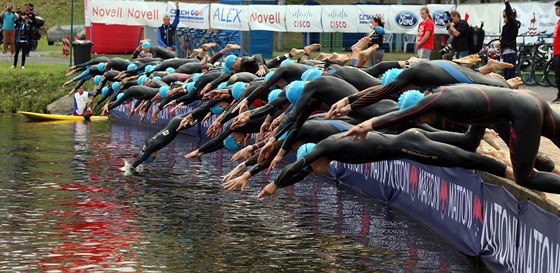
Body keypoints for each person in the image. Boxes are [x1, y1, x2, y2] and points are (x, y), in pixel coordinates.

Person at [343, 84, 560, 194]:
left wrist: (367, 125)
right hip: (528, 99)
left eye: (419, 118)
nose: (420, 122)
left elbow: (399, 116)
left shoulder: (438, 101)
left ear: (419, 108)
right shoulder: (454, 97)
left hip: (524, 111)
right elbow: (471, 141)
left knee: (525, 177)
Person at [255, 128, 514, 199]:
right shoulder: (330, 151)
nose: (314, 172)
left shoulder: (326, 147)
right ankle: (485, 124)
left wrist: (275, 185)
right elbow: (300, 171)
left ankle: (507, 171)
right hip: (409, 142)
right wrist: (280, 184)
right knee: (467, 145)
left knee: (463, 157)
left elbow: (298, 166)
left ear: (315, 158)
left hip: (410, 146)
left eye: (312, 169)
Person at [500, 0, 520, 80]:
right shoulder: (505, 27)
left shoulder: (513, 24)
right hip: (505, 53)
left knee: (510, 75)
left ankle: (513, 91)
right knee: (505, 76)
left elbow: (510, 14)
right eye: (503, 16)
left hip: (510, 53)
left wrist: (506, 2)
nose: (504, 18)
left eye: (505, 16)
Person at [552, 1, 560, 103]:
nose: (556, 10)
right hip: (556, 53)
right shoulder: (558, 22)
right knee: (557, 76)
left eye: (557, 8)